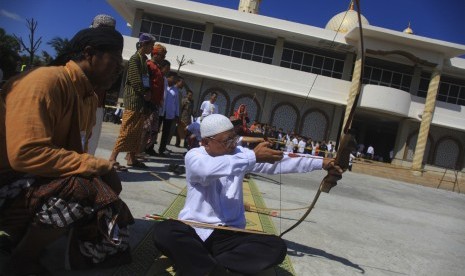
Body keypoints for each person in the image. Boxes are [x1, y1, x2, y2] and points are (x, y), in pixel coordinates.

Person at [0, 27, 134, 275]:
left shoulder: (88, 97)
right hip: (8, 179)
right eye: (115, 61)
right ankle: (22, 259)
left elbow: (73, 155)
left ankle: (28, 237)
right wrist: (97, 166)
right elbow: (25, 153)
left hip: (31, 178)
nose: (118, 69)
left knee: (108, 199)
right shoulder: (45, 81)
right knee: (83, 190)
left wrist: (100, 175)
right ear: (89, 53)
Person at [152, 114, 343, 275]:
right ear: (206, 142)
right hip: (194, 230)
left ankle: (202, 265)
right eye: (226, 140)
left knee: (275, 246)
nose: (232, 144)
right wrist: (252, 157)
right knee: (165, 231)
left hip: (230, 237)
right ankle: (215, 270)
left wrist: (321, 163)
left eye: (233, 138)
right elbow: (207, 170)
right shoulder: (195, 156)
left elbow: (280, 161)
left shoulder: (239, 154)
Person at [109, 33, 156, 169]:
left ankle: (131, 158)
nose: (152, 48)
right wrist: (145, 92)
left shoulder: (143, 60)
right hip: (134, 100)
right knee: (127, 130)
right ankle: (112, 159)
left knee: (136, 132)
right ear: (144, 44)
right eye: (151, 45)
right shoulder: (135, 59)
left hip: (141, 101)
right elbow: (135, 80)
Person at [87, 14, 118, 155]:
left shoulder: (112, 50)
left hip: (97, 102)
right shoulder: (86, 46)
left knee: (91, 140)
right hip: (82, 100)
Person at [142, 44, 167, 156]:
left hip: (155, 105)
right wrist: (147, 94)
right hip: (148, 104)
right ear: (155, 54)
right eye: (162, 55)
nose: (163, 58)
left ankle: (140, 152)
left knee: (151, 131)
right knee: (144, 130)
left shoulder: (158, 68)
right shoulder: (149, 65)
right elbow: (145, 81)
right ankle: (133, 154)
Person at [157, 72, 181, 156]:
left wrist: (177, 114)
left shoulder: (176, 90)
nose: (175, 80)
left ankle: (161, 150)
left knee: (166, 133)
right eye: (174, 78)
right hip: (160, 112)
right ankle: (149, 147)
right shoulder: (164, 87)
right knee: (155, 130)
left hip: (170, 114)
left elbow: (177, 103)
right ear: (169, 78)